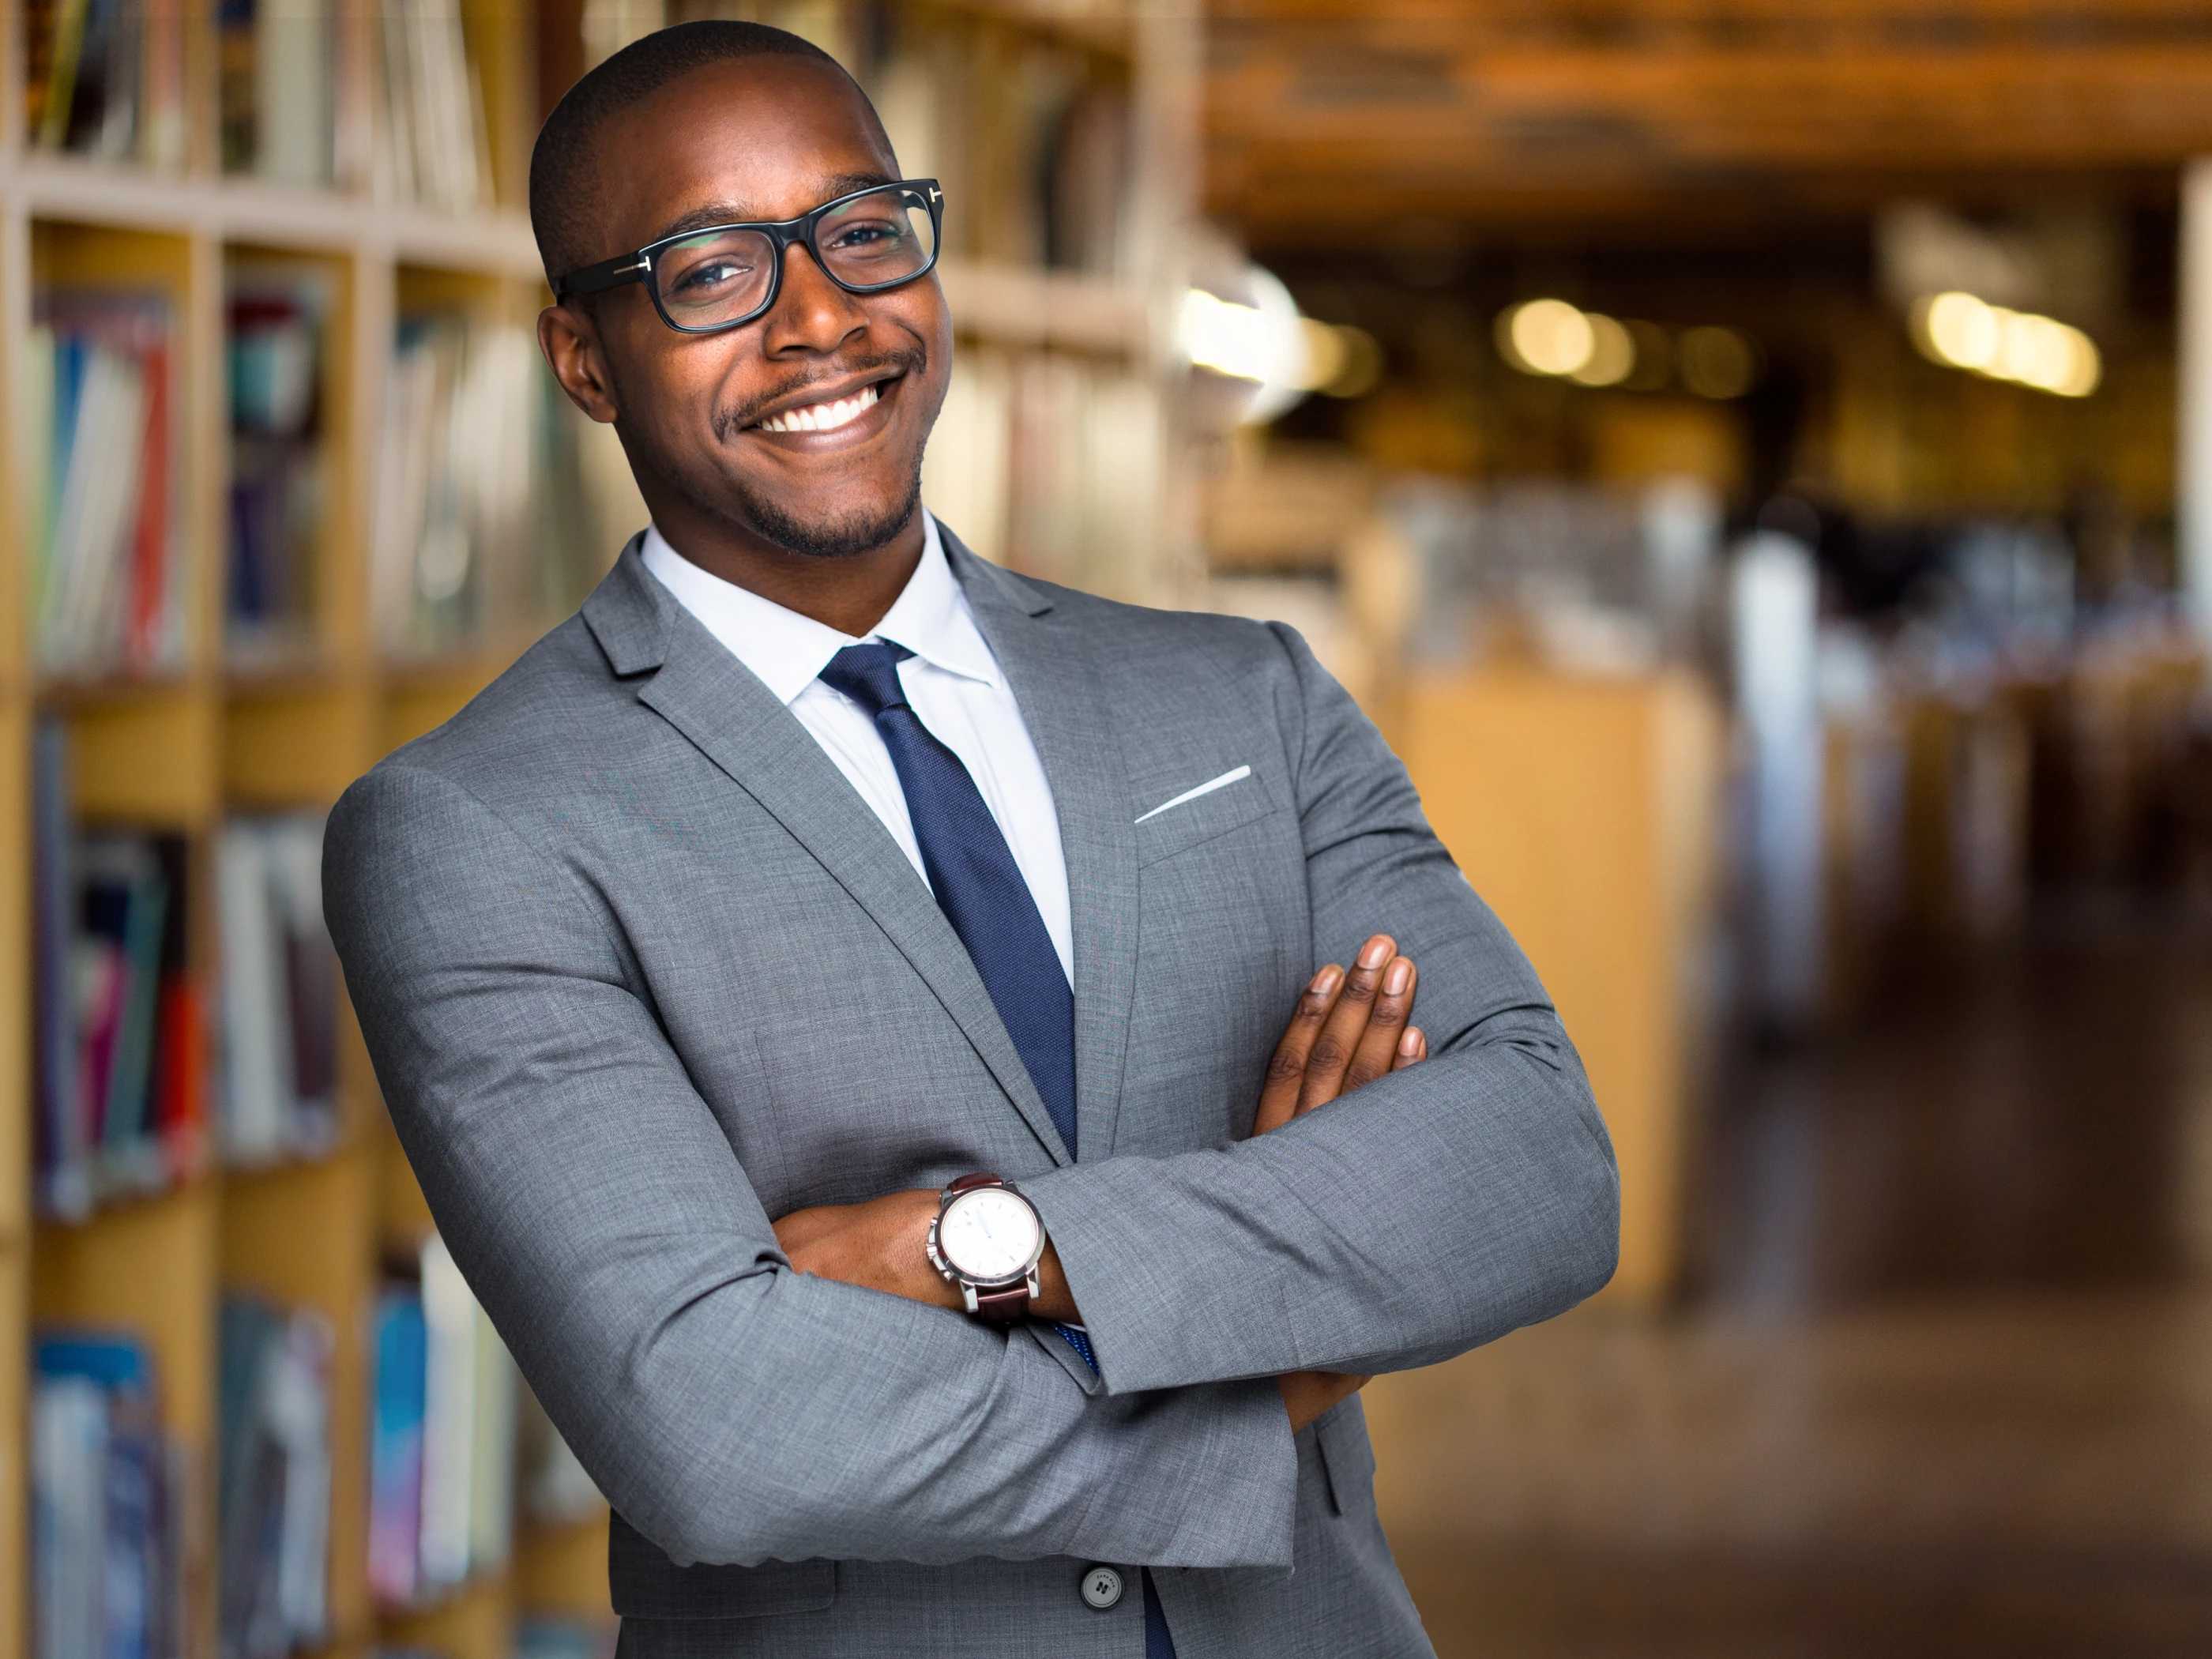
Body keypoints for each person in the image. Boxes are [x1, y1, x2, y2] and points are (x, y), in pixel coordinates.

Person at [323, 21, 1618, 1658]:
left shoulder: (1242, 700)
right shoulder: (473, 830)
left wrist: (980, 1249)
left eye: (860, 229)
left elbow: (1534, 1164)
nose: (817, 317)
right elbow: (715, 1430)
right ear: (583, 358)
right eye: (708, 267)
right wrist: (1298, 1339)